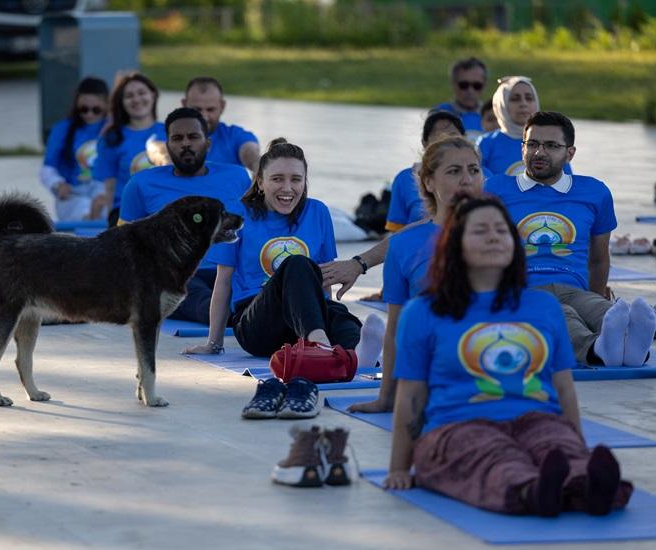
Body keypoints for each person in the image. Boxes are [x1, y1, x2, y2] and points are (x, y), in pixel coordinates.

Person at [384, 193, 633, 517]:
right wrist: (399, 467)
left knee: (556, 445)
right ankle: (531, 491)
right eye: (480, 230)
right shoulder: (424, 311)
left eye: (501, 230)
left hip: (535, 418)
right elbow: (411, 396)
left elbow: (563, 388)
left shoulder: (543, 307)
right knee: (493, 457)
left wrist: (578, 444)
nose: (493, 236)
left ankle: (587, 485)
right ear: (455, 244)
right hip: (457, 426)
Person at [184, 138, 385, 418]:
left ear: (305, 182)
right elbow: (223, 282)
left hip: (301, 319)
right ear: (260, 182)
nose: (287, 188)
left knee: (342, 318)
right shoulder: (237, 214)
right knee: (296, 265)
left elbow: (323, 280)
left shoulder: (318, 212)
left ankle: (358, 354)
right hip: (257, 323)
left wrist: (326, 313)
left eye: (295, 179)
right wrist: (213, 342)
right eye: (277, 179)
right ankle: (322, 346)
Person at [485, 111, 655, 367]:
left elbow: (599, 258)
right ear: (522, 149)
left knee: (601, 311)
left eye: (551, 146)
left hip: (574, 289)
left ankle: (633, 347)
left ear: (570, 153)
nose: (539, 153)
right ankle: (596, 350)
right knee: (562, 315)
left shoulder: (594, 192)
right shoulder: (495, 190)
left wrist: (597, 293)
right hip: (523, 290)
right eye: (532, 144)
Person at [347, 136, 485, 413]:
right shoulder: (403, 244)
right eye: (454, 171)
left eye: (474, 170)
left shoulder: (501, 237)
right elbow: (397, 329)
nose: (467, 179)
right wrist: (386, 398)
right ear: (428, 183)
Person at [118, 107, 251, 324]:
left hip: (233, 271)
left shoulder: (236, 176)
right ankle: (245, 317)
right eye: (177, 138)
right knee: (209, 307)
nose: (185, 143)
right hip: (181, 276)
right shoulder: (141, 184)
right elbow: (123, 245)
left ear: (207, 143)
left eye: (193, 137)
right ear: (167, 146)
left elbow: (256, 226)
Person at [93, 72, 167, 226]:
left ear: (153, 95)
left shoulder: (171, 132)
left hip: (164, 210)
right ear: (122, 102)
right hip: (126, 214)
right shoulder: (111, 139)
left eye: (141, 93)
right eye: (129, 96)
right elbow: (109, 186)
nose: (137, 99)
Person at [39, 77, 109, 221]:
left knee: (105, 201)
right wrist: (58, 184)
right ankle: (91, 218)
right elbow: (47, 168)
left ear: (107, 105)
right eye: (84, 109)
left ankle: (95, 216)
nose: (89, 114)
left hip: (103, 190)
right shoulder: (63, 129)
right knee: (81, 209)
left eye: (96, 110)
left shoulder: (114, 129)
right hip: (74, 193)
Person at [385, 110, 465, 232]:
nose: (447, 144)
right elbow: (396, 234)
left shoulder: (481, 176)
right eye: (439, 138)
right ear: (425, 144)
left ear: (464, 141)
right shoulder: (405, 179)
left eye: (453, 137)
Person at [478, 76, 573, 178]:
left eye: (529, 98)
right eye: (515, 99)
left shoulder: (554, 142)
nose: (523, 104)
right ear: (501, 104)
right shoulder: (487, 143)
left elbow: (567, 182)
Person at [182, 76, 260, 172]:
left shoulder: (235, 136)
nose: (204, 116)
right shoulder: (164, 134)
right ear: (184, 104)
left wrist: (259, 168)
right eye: (197, 109)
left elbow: (250, 152)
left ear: (222, 106)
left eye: (210, 110)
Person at [432, 57, 488, 140]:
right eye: (464, 85)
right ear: (453, 84)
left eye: (477, 86)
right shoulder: (439, 114)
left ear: (484, 85)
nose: (470, 91)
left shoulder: (494, 116)